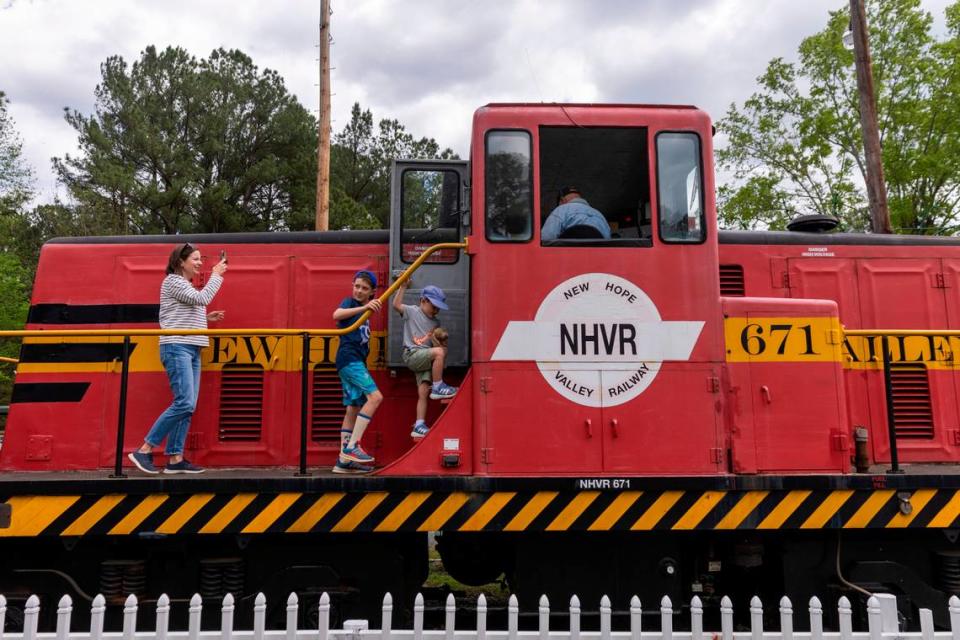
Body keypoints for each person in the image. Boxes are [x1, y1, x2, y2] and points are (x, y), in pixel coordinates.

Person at [128, 243, 227, 474]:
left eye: (200, 258)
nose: (200, 262)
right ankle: (144, 450)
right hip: (177, 347)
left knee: (188, 405)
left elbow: (190, 306)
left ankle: (175, 458)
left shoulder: (184, 285)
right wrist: (216, 275)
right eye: (195, 258)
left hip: (192, 348)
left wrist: (206, 317)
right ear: (180, 262)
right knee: (184, 402)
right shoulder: (172, 281)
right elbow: (201, 298)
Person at [331, 270, 383, 474]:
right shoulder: (351, 304)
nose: (359, 291)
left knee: (353, 407)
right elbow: (336, 315)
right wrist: (363, 308)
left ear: (372, 292)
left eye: (364, 288)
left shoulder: (364, 309)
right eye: (357, 286)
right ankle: (353, 446)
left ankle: (343, 462)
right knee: (375, 398)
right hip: (349, 360)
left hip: (354, 361)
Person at [392, 281, 458, 439]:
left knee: (423, 391)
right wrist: (402, 286)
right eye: (434, 306)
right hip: (413, 354)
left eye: (438, 308)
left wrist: (442, 342)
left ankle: (419, 425)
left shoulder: (436, 323)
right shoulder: (412, 312)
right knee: (438, 354)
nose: (436, 310)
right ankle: (438, 386)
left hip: (425, 357)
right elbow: (396, 305)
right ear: (423, 300)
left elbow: (439, 350)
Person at [541, 186, 612, 241]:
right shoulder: (599, 214)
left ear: (562, 200)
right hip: (596, 257)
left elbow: (546, 239)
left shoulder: (560, 210)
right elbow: (608, 241)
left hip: (568, 257)